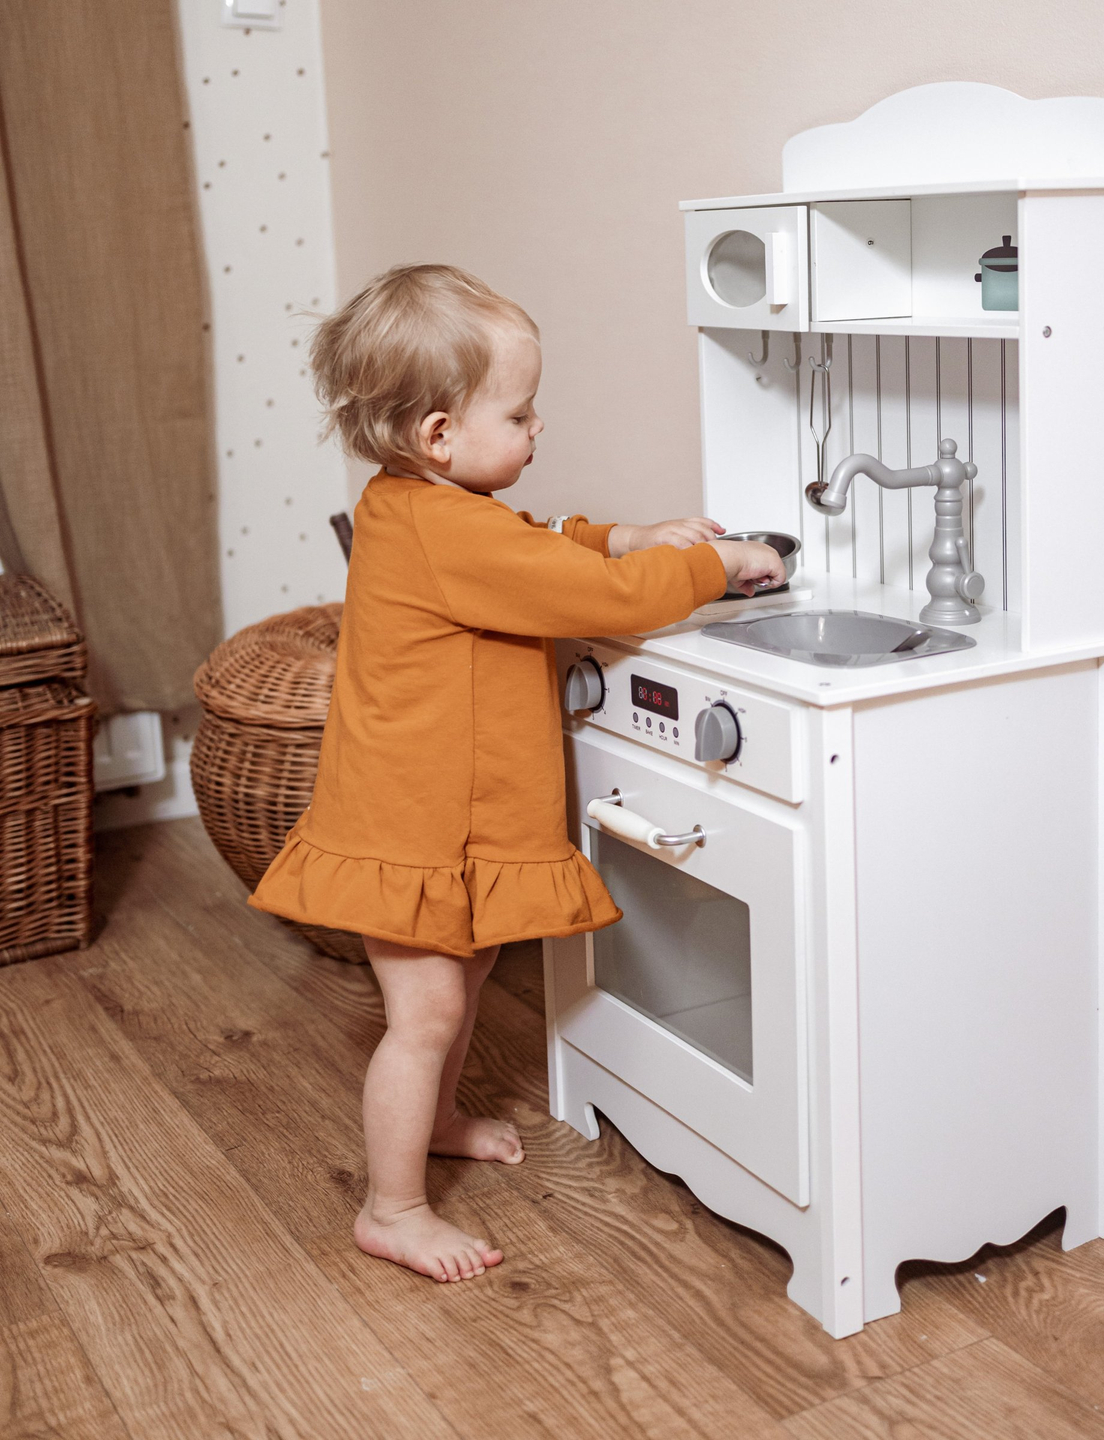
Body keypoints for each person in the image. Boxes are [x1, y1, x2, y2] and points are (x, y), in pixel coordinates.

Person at [249, 264, 785, 1284]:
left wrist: (628, 534)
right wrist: (714, 566)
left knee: (465, 983)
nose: (539, 428)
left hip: (445, 823)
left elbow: (538, 544)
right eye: (520, 413)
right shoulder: (445, 529)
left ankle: (438, 1121)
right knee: (424, 1017)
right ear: (440, 434)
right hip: (411, 829)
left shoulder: (423, 505)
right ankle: (393, 1208)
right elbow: (593, 594)